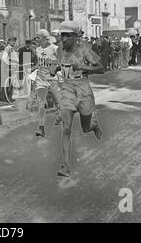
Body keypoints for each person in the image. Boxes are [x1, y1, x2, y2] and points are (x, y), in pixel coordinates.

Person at [56, 21, 104, 178]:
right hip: (67, 90)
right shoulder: (59, 51)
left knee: (85, 128)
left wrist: (85, 68)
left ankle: (94, 125)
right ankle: (66, 167)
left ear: (76, 37)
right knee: (66, 128)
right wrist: (55, 68)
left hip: (83, 91)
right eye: (62, 35)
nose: (64, 39)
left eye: (68, 35)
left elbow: (101, 68)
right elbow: (63, 65)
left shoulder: (84, 50)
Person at [33, 30, 62, 137]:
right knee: (41, 104)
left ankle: (60, 116)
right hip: (41, 80)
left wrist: (54, 67)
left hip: (52, 79)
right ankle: (41, 128)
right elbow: (39, 63)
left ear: (45, 38)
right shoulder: (38, 49)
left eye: (38, 38)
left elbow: (62, 62)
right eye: (36, 38)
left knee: (58, 102)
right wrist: (32, 68)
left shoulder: (55, 48)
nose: (36, 40)